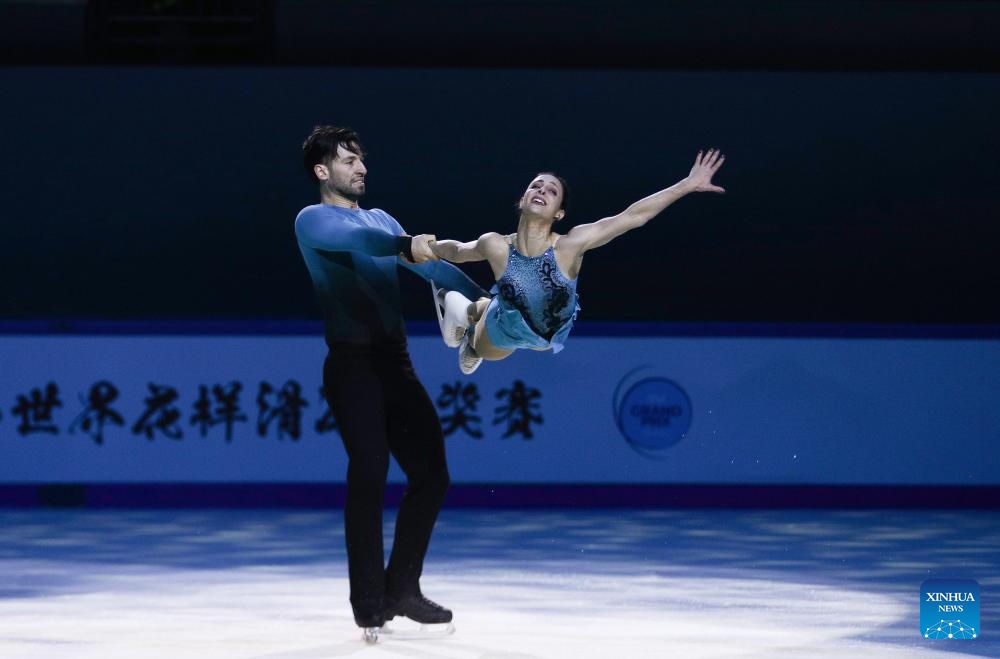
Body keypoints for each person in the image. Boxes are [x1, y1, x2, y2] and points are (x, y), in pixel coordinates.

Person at [295, 125, 489, 636]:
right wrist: (405, 244)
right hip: (351, 364)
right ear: (322, 171)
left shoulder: (384, 219)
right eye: (348, 160)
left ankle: (402, 588)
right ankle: (368, 603)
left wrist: (488, 302)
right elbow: (359, 239)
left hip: (395, 363)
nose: (361, 167)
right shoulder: (313, 220)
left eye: (361, 159)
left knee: (432, 474)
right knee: (371, 469)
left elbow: (434, 272)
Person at [431, 149, 727, 373]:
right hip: (505, 331)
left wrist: (687, 184)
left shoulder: (569, 247)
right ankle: (468, 316)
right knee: (479, 350)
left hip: (543, 339)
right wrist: (424, 245)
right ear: (522, 200)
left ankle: (472, 308)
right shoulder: (496, 244)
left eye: (551, 191)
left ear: (559, 213)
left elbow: (633, 217)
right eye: (536, 186)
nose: (541, 191)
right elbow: (458, 251)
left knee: (501, 318)